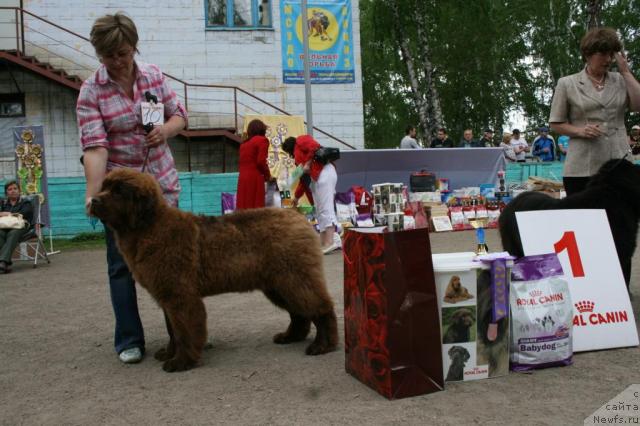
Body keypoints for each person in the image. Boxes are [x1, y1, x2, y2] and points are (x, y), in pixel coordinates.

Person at [76, 12, 187, 364]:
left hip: (163, 187)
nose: (118, 62)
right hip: (122, 200)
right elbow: (95, 147)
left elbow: (180, 115)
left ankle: (181, 337)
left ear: (133, 48)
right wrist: (95, 196)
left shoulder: (154, 75)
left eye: (123, 53)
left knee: (173, 264)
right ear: (99, 55)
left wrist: (166, 131)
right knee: (121, 266)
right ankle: (128, 340)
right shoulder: (91, 91)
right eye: (109, 56)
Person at [549, 27, 640, 195]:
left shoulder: (621, 80)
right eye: (603, 54)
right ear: (588, 54)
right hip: (582, 167)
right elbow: (555, 123)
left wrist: (626, 72)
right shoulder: (567, 83)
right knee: (584, 219)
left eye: (611, 54)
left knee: (623, 217)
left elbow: (638, 105)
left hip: (619, 163)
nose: (608, 59)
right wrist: (579, 130)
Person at [282, 135, 340, 254]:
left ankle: (330, 241)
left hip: (325, 173)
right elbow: (303, 181)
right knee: (320, 210)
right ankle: (324, 242)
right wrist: (297, 197)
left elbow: (314, 146)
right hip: (318, 176)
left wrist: (308, 163)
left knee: (325, 208)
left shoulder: (301, 141)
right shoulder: (298, 159)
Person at [236, 119, 272, 209]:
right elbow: (261, 161)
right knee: (256, 208)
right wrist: (268, 176)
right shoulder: (262, 140)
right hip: (255, 177)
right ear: (262, 129)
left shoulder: (244, 144)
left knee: (244, 206)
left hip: (242, 178)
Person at [0, 181, 33, 273]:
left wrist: (8, 214)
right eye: (10, 189)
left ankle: (2, 262)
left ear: (19, 190)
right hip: (5, 226)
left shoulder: (25, 202)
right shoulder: (3, 203)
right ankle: (5, 263)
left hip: (22, 226)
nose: (13, 191)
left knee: (13, 233)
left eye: (15, 188)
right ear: (6, 192)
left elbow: (25, 213)